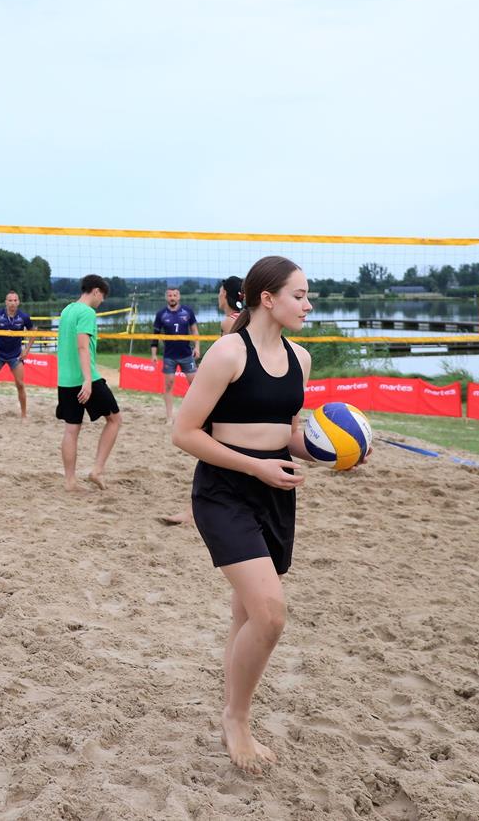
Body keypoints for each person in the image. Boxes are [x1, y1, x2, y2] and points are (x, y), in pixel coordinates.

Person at [172, 256, 316, 774]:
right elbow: (184, 433)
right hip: (224, 492)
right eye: (299, 295)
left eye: (308, 295)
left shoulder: (300, 359)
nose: (308, 304)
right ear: (267, 299)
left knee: (247, 614)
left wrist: (332, 452)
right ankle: (236, 719)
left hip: (274, 492)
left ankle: (231, 708)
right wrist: (256, 468)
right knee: (270, 615)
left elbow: (286, 434)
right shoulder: (229, 352)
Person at [161, 274, 243, 526]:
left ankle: (192, 511)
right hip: (243, 394)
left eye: (220, 291)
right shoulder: (246, 318)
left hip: (230, 395)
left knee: (207, 452)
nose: (218, 295)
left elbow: (228, 361)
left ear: (225, 294)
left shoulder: (230, 322)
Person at [56, 274, 122, 492]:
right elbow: (82, 346)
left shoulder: (67, 310)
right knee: (115, 419)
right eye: (102, 296)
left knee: (71, 430)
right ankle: (97, 470)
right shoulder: (87, 312)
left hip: (65, 380)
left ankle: (70, 482)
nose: (102, 301)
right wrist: (87, 380)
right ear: (96, 291)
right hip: (86, 378)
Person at [0, 290, 36, 421]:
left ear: (18, 302)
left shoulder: (24, 317)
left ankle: (23, 415)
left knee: (20, 384)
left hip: (15, 356)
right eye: (10, 300)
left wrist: (27, 350)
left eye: (15, 300)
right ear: (6, 302)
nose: (12, 303)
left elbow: (34, 332)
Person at [151, 287, 200, 423]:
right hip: (169, 356)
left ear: (179, 297)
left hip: (186, 354)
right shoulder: (161, 314)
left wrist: (197, 347)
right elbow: (155, 336)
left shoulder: (187, 311)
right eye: (170, 295)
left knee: (195, 385)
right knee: (168, 385)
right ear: (166, 297)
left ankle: (195, 415)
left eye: (175, 295)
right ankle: (169, 417)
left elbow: (195, 331)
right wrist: (153, 354)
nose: (172, 298)